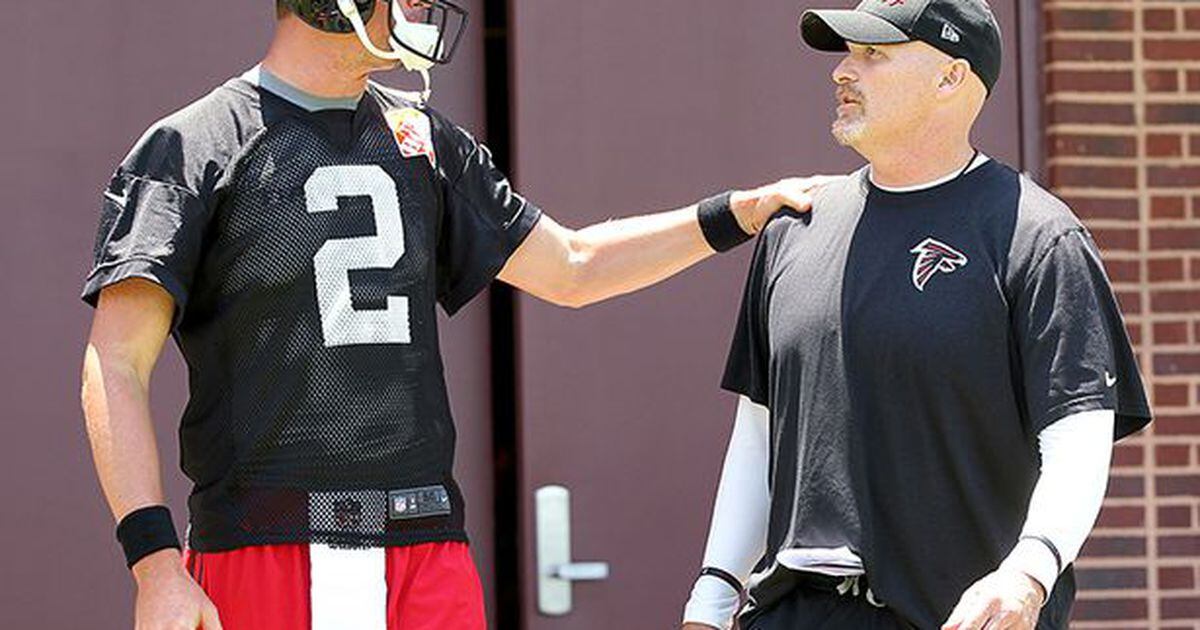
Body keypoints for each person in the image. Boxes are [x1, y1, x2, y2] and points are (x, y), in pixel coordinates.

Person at [79, 2, 821, 629]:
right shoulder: (195, 145)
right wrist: (154, 565)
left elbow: (573, 267)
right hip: (270, 546)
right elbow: (115, 361)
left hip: (427, 541)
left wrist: (736, 215)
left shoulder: (423, 140)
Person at [680, 1, 1152, 629]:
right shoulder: (794, 229)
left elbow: (1079, 434)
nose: (843, 72)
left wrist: (1029, 572)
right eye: (849, 54)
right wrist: (711, 597)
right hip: (792, 613)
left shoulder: (1038, 237)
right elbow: (760, 429)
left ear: (951, 78)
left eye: (873, 55)